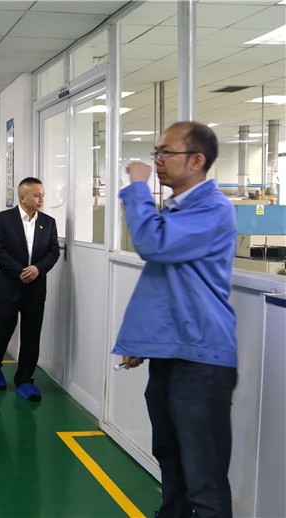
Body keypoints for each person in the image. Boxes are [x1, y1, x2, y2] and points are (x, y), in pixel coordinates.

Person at [114, 121, 237, 518]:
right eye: (156, 153)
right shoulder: (178, 209)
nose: (157, 160)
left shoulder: (213, 208)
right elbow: (167, 286)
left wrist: (137, 187)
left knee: (203, 479)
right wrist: (143, 342)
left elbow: (152, 244)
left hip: (201, 361)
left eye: (165, 152)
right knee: (171, 461)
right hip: (174, 353)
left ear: (197, 160)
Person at [0, 177, 60, 400]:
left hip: (35, 288)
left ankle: (25, 379)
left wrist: (38, 269)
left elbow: (53, 252)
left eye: (42, 195)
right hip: (10, 285)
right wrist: (20, 271)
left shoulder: (48, 222)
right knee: (2, 330)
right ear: (22, 197)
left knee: (31, 334)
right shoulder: (3, 219)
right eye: (37, 195)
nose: (41, 199)